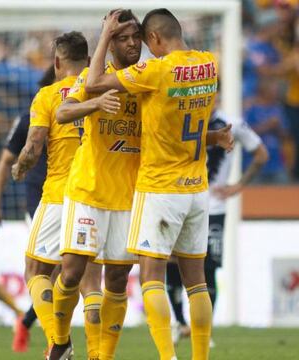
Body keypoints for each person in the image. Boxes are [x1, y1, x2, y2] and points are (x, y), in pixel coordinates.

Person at [81, 9, 233, 360]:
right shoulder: (209, 64)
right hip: (197, 189)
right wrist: (214, 136)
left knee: (152, 278)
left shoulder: (156, 70)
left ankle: (168, 357)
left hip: (161, 188)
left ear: (153, 40)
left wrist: (105, 35)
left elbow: (92, 85)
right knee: (197, 282)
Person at [10, 31, 119, 358]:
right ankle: (97, 354)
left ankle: (59, 341)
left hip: (60, 192)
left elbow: (33, 146)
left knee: (35, 271)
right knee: (91, 282)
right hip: (97, 194)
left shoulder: (48, 96)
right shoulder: (103, 87)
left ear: (57, 62)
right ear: (88, 62)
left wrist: (20, 167)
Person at [50, 10, 142, 360]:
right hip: (88, 190)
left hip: (127, 196)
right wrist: (95, 104)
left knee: (118, 280)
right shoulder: (90, 77)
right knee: (71, 272)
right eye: (122, 37)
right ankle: (59, 341)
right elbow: (62, 114)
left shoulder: (146, 79)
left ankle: (102, 357)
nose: (131, 43)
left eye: (135, 36)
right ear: (110, 42)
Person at [168, 107, 269, 343]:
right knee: (173, 261)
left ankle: (203, 330)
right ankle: (180, 323)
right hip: (181, 199)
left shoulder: (232, 122)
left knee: (208, 266)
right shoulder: (184, 115)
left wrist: (238, 185)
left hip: (213, 205)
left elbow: (261, 154)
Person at [0, 65, 54, 353]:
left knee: (66, 273)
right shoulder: (31, 118)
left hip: (78, 196)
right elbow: (6, 161)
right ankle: (55, 341)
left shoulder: (84, 111)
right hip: (40, 198)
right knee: (51, 270)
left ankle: (27, 322)